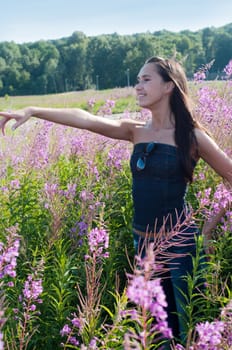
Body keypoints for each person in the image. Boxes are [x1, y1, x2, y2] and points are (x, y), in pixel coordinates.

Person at [0, 56, 231, 346]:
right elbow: (86, 119)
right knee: (156, 333)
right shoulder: (136, 130)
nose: (138, 86)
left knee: (189, 330)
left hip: (182, 249)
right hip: (143, 247)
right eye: (137, 80)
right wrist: (33, 110)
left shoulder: (192, 136)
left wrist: (207, 232)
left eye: (146, 79)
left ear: (169, 86)